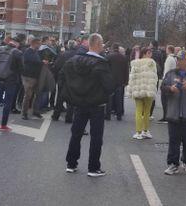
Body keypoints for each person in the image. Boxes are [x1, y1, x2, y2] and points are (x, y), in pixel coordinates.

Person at [63, 33, 114, 177]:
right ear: (97, 44)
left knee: (76, 133)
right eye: (102, 43)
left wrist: (72, 94)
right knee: (96, 136)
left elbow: (64, 76)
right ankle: (93, 167)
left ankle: (71, 164)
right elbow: (109, 85)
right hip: (97, 104)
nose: (103, 46)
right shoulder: (101, 63)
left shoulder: (75, 61)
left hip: (79, 102)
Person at [0, 37, 23, 131]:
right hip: (11, 81)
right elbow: (22, 68)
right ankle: (3, 125)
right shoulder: (17, 52)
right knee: (8, 103)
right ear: (16, 44)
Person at [127, 47, 158, 139]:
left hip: (138, 89)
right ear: (144, 53)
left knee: (138, 111)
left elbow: (132, 77)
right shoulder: (152, 63)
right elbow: (155, 77)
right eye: (149, 53)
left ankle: (138, 132)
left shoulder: (136, 63)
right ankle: (145, 130)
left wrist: (131, 90)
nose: (150, 55)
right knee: (147, 112)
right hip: (149, 90)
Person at [52, 40, 78, 122]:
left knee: (60, 98)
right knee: (71, 99)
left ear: (68, 46)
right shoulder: (78, 55)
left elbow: (56, 65)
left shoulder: (63, 55)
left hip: (63, 78)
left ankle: (56, 115)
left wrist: (57, 76)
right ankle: (69, 118)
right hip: (73, 79)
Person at [21, 37, 44, 120]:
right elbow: (34, 61)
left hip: (37, 76)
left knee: (38, 95)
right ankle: (24, 113)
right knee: (28, 96)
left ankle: (36, 111)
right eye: (39, 43)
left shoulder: (37, 52)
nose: (40, 45)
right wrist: (42, 62)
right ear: (34, 44)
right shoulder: (28, 51)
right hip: (28, 77)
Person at [106, 43, 129, 121]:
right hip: (120, 81)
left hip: (110, 80)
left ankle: (108, 115)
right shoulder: (123, 57)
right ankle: (119, 115)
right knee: (119, 98)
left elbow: (106, 69)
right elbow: (126, 70)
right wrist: (126, 81)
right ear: (118, 49)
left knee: (109, 98)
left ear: (112, 48)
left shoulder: (108, 56)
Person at [158, 45, 177, 123]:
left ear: (169, 50)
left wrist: (163, 80)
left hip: (167, 81)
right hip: (172, 79)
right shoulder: (174, 58)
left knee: (164, 100)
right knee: (168, 100)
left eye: (166, 49)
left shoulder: (169, 59)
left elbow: (167, 71)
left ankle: (166, 117)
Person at [149, 40, 165, 119]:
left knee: (147, 92)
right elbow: (162, 64)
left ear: (152, 45)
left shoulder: (149, 53)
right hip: (156, 75)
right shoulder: (159, 53)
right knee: (153, 93)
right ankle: (150, 113)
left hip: (149, 75)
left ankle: (145, 112)